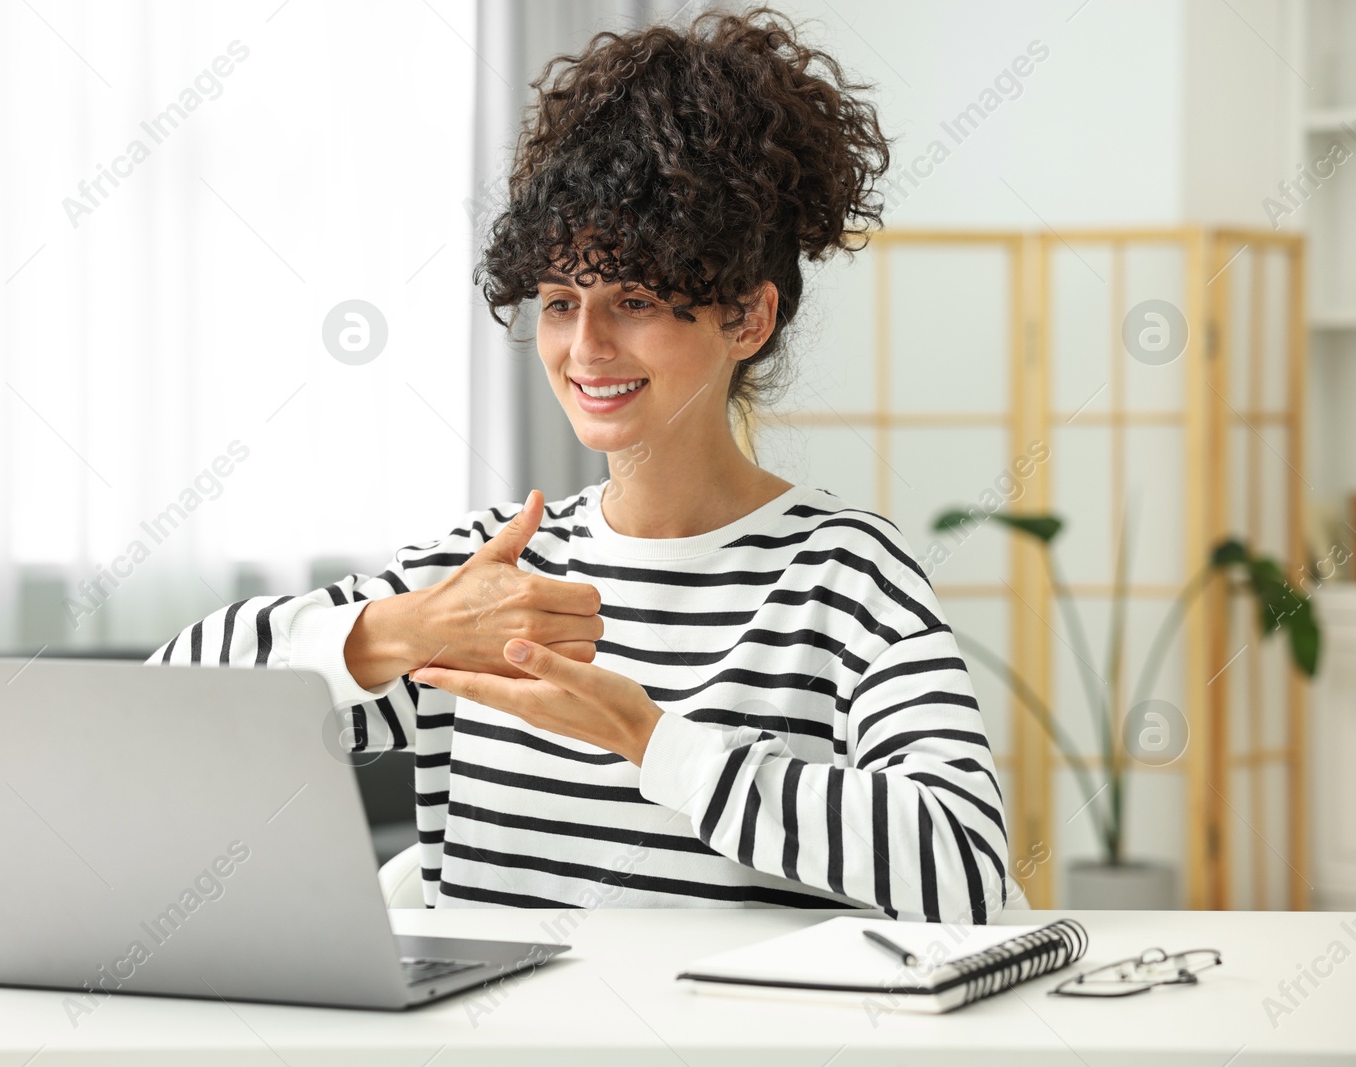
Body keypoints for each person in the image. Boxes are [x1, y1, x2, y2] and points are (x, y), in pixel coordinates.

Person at [151, 6, 1008, 921]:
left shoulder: (842, 574)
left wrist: (653, 742)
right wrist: (399, 630)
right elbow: (164, 716)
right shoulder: (493, 578)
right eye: (560, 302)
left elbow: (964, 867)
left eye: (633, 298)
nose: (585, 346)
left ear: (747, 320)